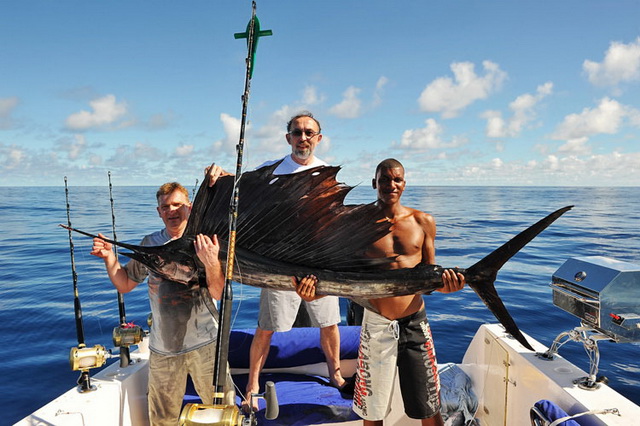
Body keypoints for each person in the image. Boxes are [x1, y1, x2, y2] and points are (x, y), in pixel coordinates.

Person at [295, 158, 466, 426]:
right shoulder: (354, 224)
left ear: (404, 184)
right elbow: (337, 277)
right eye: (384, 179)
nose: (391, 184)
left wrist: (448, 285)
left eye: (396, 179)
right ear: (375, 183)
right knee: (372, 413)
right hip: (376, 325)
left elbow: (429, 280)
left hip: (415, 325)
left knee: (430, 408)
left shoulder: (424, 221)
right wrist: (311, 294)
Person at [206, 111, 349, 410]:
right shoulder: (271, 171)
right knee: (267, 326)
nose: (303, 138)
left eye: (309, 132)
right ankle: (253, 382)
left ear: (319, 139)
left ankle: (336, 374)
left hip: (318, 263)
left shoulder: (328, 176)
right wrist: (219, 175)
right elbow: (239, 184)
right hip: (279, 263)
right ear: (288, 138)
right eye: (297, 132)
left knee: (330, 323)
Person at [90, 182, 233, 426]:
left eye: (177, 204)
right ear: (159, 211)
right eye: (166, 206)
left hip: (207, 344)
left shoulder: (207, 242)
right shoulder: (150, 244)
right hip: (164, 348)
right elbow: (124, 284)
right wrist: (109, 258)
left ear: (189, 207)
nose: (172, 210)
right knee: (162, 419)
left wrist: (210, 262)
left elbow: (219, 293)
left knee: (222, 413)